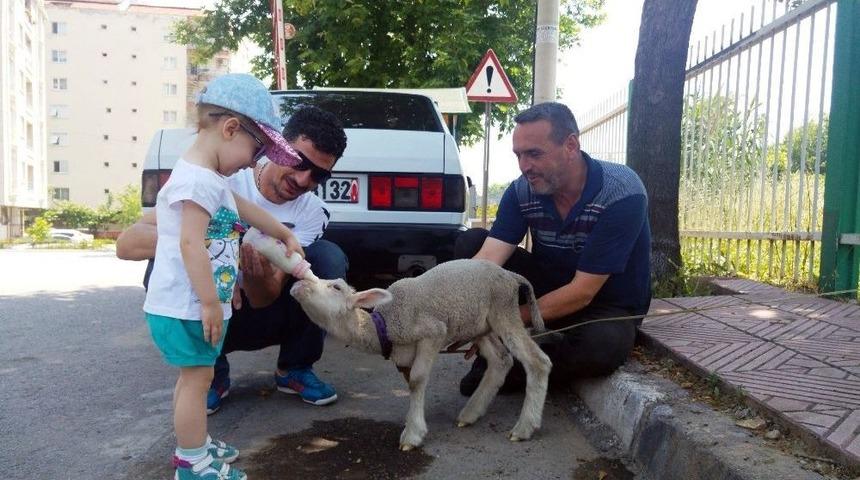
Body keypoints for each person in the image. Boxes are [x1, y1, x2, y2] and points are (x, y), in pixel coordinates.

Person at [117, 104, 349, 416]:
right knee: (163, 263)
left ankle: (294, 367)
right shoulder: (220, 178)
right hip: (207, 309)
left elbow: (266, 297)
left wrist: (252, 270)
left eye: (318, 175)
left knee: (328, 258)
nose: (305, 178)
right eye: (299, 162)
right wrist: (221, 251)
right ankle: (211, 372)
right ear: (278, 148)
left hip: (256, 311)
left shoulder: (313, 212)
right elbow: (127, 244)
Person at [142, 73, 311, 480]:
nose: (254, 162)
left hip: (189, 303)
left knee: (193, 380)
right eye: (255, 151)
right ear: (230, 128)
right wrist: (207, 302)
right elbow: (189, 244)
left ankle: (194, 443)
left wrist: (284, 232)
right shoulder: (197, 180)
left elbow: (243, 208)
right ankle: (192, 463)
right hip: (187, 305)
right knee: (197, 381)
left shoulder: (209, 178)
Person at [455, 102, 651, 395]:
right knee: (470, 245)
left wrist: (501, 321)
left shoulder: (621, 192)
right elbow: (488, 259)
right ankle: (510, 351)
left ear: (570, 145)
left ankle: (510, 368)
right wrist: (456, 312)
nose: (524, 166)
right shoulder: (523, 190)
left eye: (534, 154)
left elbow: (583, 292)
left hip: (604, 303)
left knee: (603, 347)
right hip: (547, 287)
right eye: (518, 155)